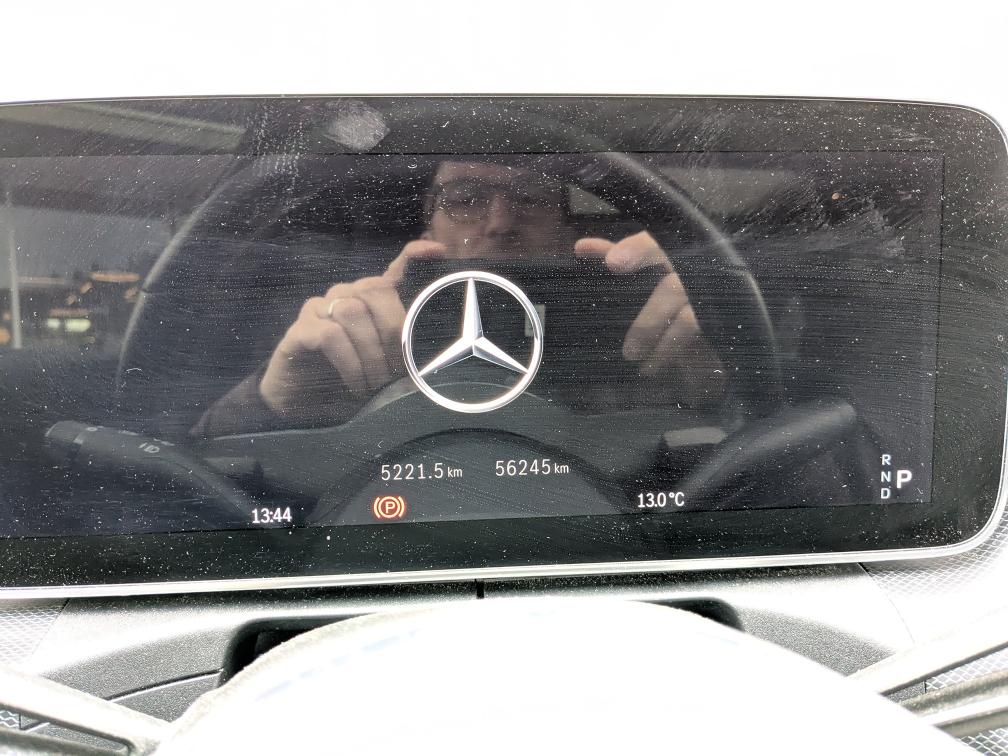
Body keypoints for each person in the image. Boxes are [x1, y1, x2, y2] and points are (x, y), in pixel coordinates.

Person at [192, 158, 725, 437]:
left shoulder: (636, 328)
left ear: (567, 230)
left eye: (531, 196)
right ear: (427, 232)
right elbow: (200, 480)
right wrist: (271, 406)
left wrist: (721, 359)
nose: (500, 222)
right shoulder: (355, 339)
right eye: (465, 198)